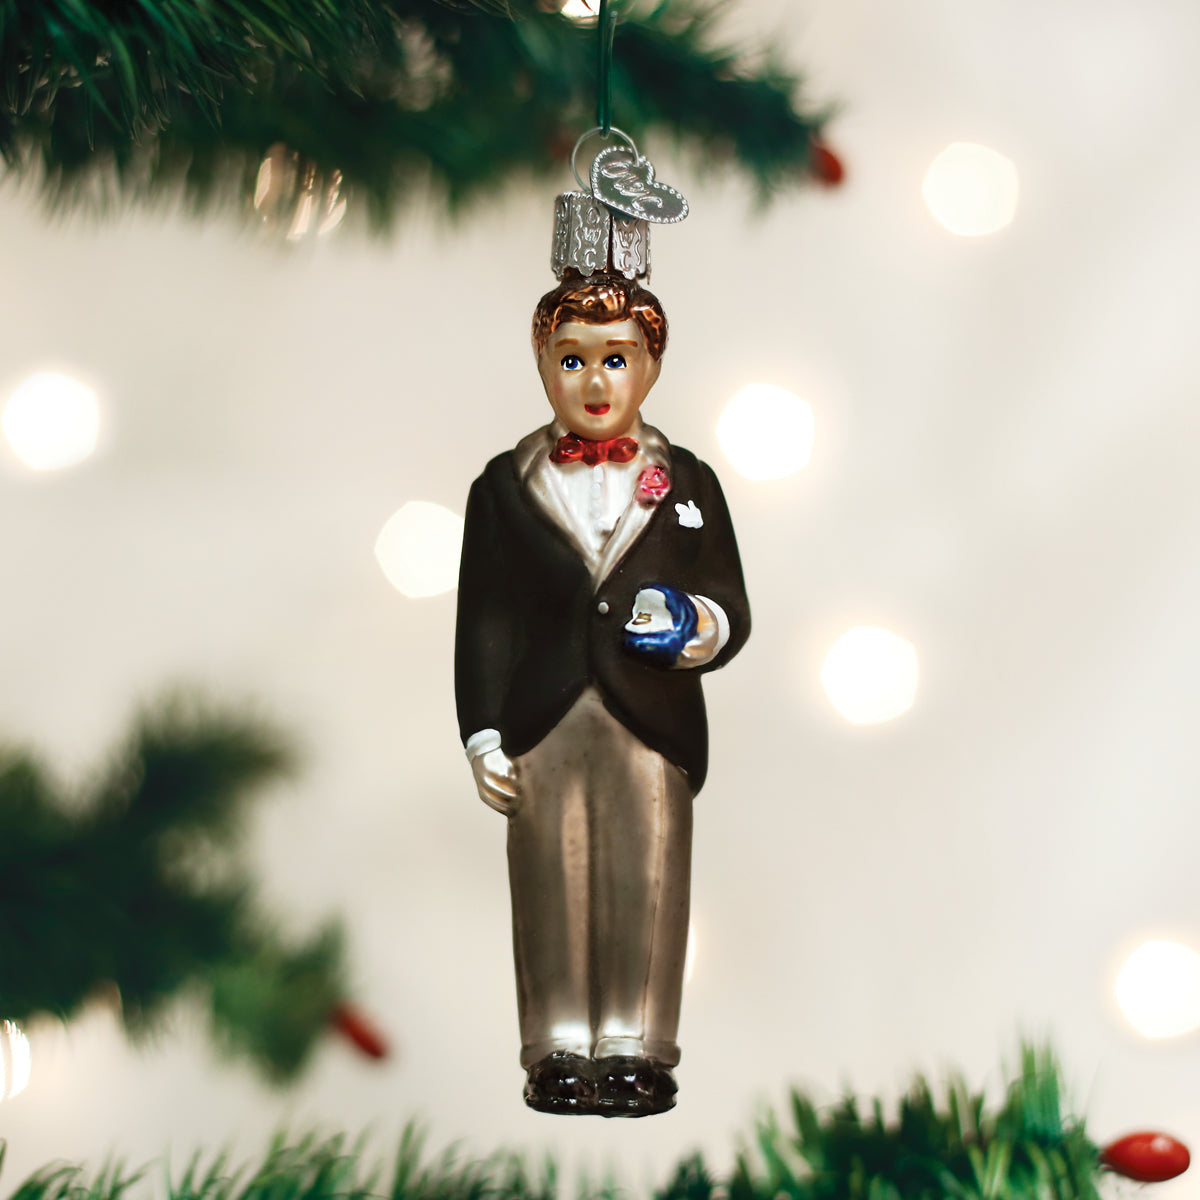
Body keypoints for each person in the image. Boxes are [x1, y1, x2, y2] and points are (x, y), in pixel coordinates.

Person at [454, 270, 750, 1117]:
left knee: (646, 877)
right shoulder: (501, 487)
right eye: (571, 360)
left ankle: (635, 1045)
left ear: (651, 366)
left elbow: (729, 601)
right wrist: (482, 732)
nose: (594, 381)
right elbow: (484, 619)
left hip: (650, 717)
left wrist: (693, 625)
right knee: (548, 876)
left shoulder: (689, 482)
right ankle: (553, 1045)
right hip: (541, 717)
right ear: (543, 365)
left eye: (615, 359)